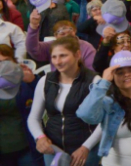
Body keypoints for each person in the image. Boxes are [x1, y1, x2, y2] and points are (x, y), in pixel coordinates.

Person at [27, 36, 102, 166]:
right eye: (54, 57)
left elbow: (105, 121)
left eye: (63, 56)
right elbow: (34, 117)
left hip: (84, 151)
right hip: (53, 149)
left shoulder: (94, 82)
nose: (58, 61)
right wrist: (40, 137)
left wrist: (86, 147)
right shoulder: (45, 81)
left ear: (77, 54)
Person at [0, 46, 42, 166]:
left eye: (6, 61)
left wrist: (33, 81)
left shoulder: (25, 79)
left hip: (27, 146)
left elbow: (48, 101)